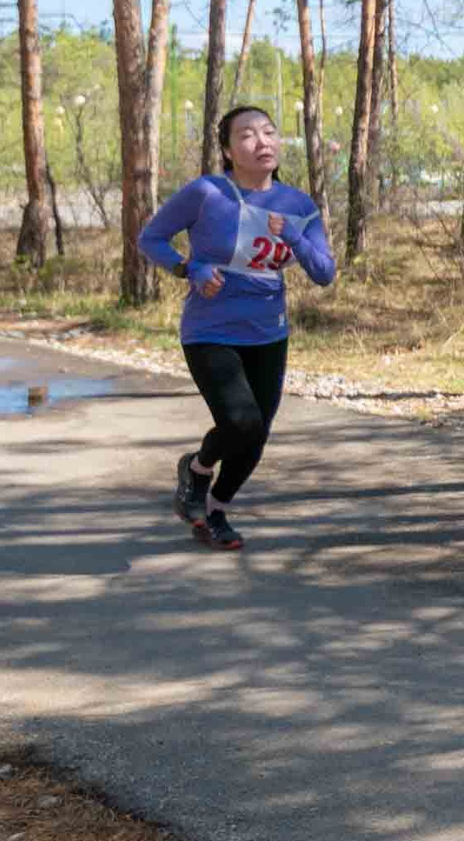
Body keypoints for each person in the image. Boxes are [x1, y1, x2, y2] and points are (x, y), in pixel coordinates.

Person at [138, 106, 336, 550]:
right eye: (247, 135)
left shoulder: (298, 205)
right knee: (240, 421)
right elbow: (150, 239)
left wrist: (295, 239)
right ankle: (197, 468)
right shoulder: (207, 193)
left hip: (269, 332)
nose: (262, 141)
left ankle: (216, 509)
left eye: (269, 132)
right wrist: (188, 268)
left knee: (255, 434)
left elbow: (324, 272)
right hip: (211, 328)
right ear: (228, 149)